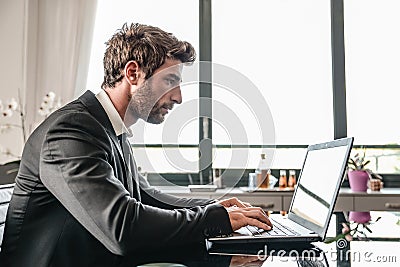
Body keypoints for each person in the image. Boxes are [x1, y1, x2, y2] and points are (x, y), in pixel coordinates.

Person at [0, 23, 271, 266]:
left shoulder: (109, 129)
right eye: (170, 81)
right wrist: (214, 221)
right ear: (133, 73)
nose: (178, 97)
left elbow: (146, 197)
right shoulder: (71, 131)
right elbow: (122, 228)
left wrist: (218, 209)